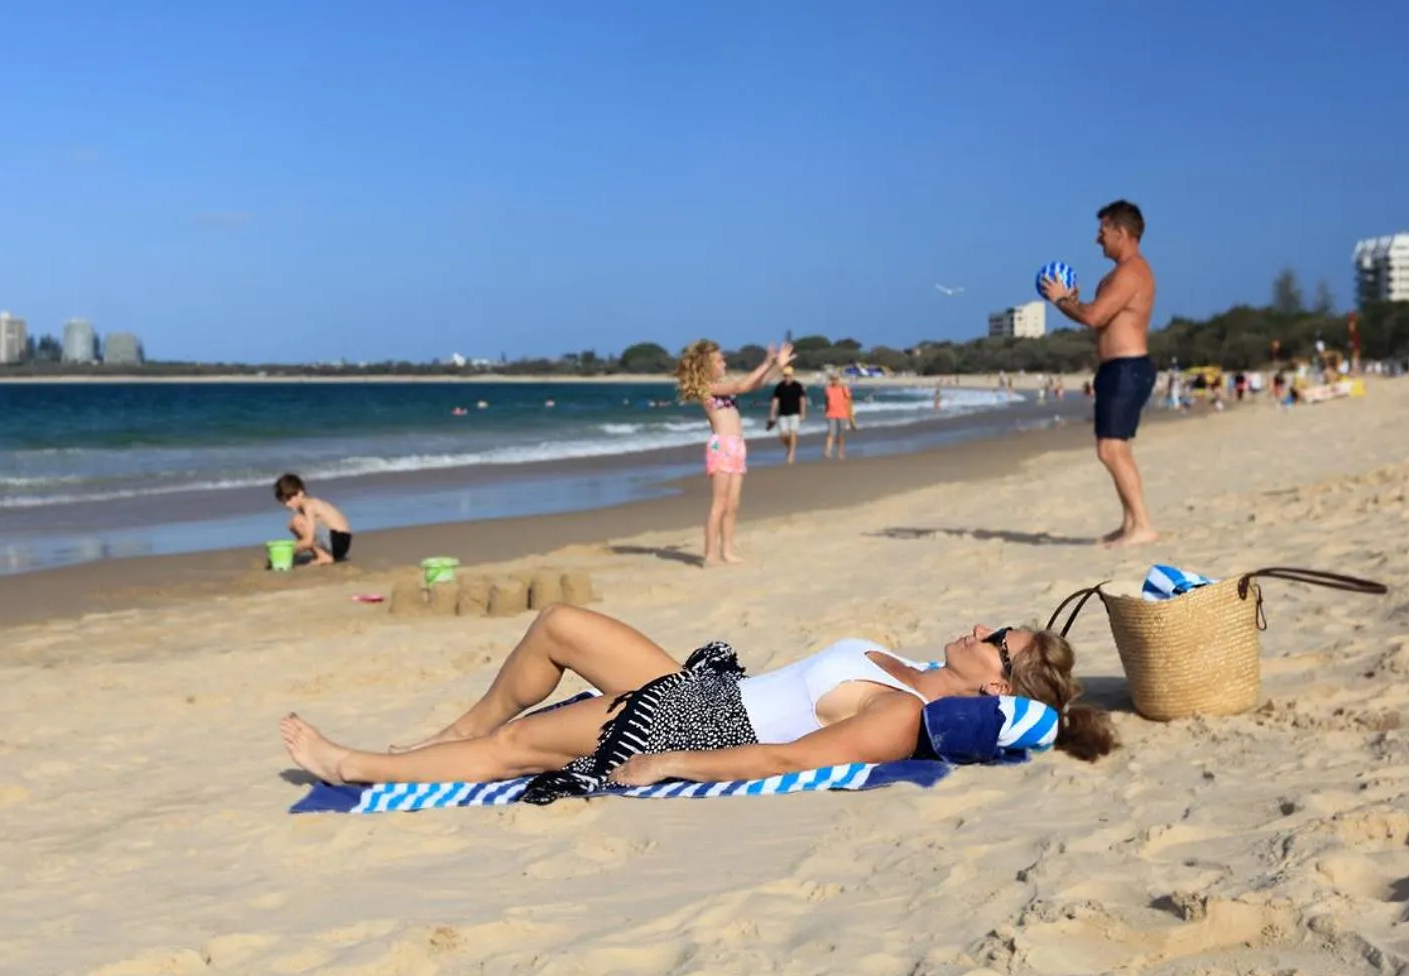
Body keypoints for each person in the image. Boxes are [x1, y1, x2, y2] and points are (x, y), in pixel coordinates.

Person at [278, 604, 1117, 794]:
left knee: (519, 748)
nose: (977, 628)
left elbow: (791, 756)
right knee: (560, 623)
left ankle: (354, 766)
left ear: (995, 682)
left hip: (696, 718)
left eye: (994, 639)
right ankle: (453, 728)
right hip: (712, 687)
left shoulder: (899, 713)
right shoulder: (904, 668)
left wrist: (669, 761)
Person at [1040, 200, 1158, 547]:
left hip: (1127, 368)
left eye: (1102, 232)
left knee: (1110, 450)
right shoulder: (1122, 272)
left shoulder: (1131, 272)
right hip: (1118, 369)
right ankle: (1131, 523)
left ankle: (1143, 525)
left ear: (1121, 233)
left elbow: (1093, 317)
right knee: (1116, 449)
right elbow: (1094, 316)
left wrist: (1062, 300)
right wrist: (1070, 301)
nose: (1098, 240)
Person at [674, 339, 792, 567]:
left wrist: (776, 365)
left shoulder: (724, 384)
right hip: (722, 447)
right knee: (719, 503)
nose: (723, 363)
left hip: (737, 446)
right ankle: (711, 554)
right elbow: (741, 387)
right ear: (705, 367)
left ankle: (727, 551)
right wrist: (766, 361)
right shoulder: (708, 388)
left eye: (722, 359)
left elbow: (756, 384)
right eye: (719, 360)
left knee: (733, 503)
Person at [273, 473, 353, 565]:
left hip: (338, 540)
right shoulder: (306, 506)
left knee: (297, 521)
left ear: (300, 493)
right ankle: (322, 554)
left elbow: (308, 540)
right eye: (284, 501)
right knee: (292, 524)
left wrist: (288, 551)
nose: (287, 504)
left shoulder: (309, 505)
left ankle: (324, 557)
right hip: (340, 542)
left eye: (289, 499)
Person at [767, 367, 808, 465]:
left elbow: (802, 400)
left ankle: (791, 453)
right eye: (785, 375)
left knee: (793, 433)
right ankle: (790, 447)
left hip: (795, 414)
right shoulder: (779, 387)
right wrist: (772, 414)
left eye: (789, 375)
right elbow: (775, 401)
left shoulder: (798, 386)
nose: (787, 377)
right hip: (782, 414)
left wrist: (803, 413)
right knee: (782, 436)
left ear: (792, 375)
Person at [822, 373, 856, 460]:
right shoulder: (828, 389)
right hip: (831, 414)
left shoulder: (844, 388)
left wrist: (851, 415)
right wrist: (826, 411)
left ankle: (840, 452)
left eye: (836, 379)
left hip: (842, 414)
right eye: (833, 379)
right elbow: (826, 401)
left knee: (841, 435)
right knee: (831, 433)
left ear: (839, 380)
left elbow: (849, 401)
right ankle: (827, 451)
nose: (834, 381)